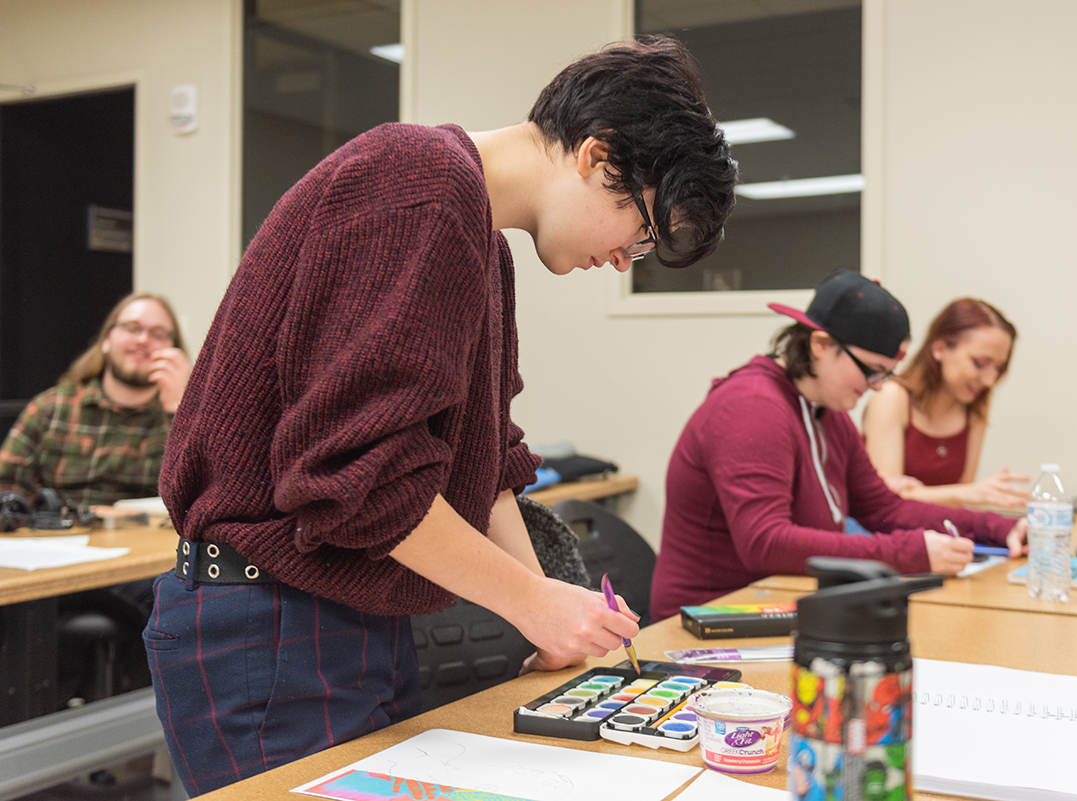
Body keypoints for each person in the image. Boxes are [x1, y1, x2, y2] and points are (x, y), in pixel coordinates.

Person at [147, 37, 738, 795]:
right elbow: (354, 481)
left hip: (347, 613)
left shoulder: (480, 241)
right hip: (273, 625)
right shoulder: (419, 184)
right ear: (599, 158)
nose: (627, 259)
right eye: (645, 232)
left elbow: (488, 470)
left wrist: (552, 617)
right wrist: (534, 601)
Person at [649, 271, 1027, 622]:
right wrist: (910, 554)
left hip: (774, 602)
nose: (878, 386)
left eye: (887, 373)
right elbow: (765, 542)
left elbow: (884, 509)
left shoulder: (827, 411)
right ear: (821, 344)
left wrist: (998, 527)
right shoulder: (752, 408)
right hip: (710, 617)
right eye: (871, 370)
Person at [0, 293, 191, 508]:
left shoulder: (188, 417)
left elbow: (204, 497)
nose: (143, 340)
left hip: (154, 539)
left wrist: (182, 410)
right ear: (107, 340)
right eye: (132, 328)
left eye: (158, 333)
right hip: (64, 536)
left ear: (174, 348)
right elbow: (6, 489)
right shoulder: (50, 409)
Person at [861, 298, 1026, 508]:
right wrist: (969, 493)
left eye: (998, 368)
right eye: (980, 363)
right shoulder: (891, 397)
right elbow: (884, 501)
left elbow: (962, 499)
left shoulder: (976, 406)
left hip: (943, 533)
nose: (989, 381)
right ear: (939, 348)